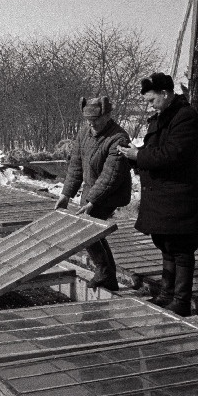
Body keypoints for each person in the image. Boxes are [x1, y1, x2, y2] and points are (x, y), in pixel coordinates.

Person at [118, 72, 198, 316]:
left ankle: (181, 300)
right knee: (166, 244)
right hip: (166, 196)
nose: (149, 105)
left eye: (151, 100)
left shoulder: (185, 118)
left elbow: (173, 154)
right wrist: (135, 153)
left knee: (182, 247)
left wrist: (139, 156)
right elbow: (155, 151)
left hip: (182, 195)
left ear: (166, 94)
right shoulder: (163, 117)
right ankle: (166, 294)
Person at [55, 97, 132, 291]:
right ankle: (108, 276)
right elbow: (75, 165)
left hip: (110, 192)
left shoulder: (118, 138)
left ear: (107, 116)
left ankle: (104, 271)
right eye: (88, 120)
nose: (92, 123)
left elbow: (110, 176)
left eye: (96, 119)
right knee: (91, 230)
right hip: (92, 189)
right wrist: (66, 194)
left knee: (88, 229)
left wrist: (92, 202)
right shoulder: (84, 133)